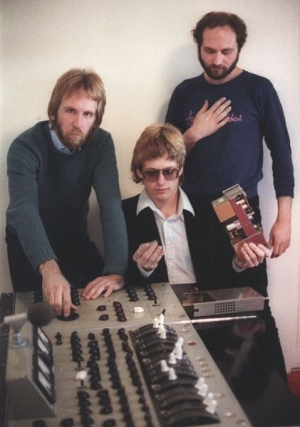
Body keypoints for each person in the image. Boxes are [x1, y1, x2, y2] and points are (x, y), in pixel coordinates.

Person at [165, 11, 294, 260]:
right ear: (199, 48)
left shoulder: (259, 89)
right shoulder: (184, 91)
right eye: (209, 51)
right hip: (191, 204)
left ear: (239, 48)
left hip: (237, 204)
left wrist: (284, 220)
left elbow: (281, 155)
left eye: (226, 52)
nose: (217, 60)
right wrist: (194, 134)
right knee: (195, 293)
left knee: (249, 291)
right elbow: (165, 160)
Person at [6, 68, 128, 317]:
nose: (78, 123)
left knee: (98, 306)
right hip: (28, 243)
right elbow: (24, 209)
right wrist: (49, 270)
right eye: (70, 111)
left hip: (74, 237)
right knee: (43, 319)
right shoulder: (24, 146)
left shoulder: (101, 143)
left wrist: (115, 271)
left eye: (87, 114)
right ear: (53, 112)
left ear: (96, 118)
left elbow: (110, 204)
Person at [122, 123, 270, 290]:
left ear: (181, 169)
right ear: (139, 172)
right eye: (152, 173)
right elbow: (121, 279)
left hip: (207, 309)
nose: (161, 182)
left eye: (169, 172)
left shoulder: (213, 207)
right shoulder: (123, 213)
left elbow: (222, 276)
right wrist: (143, 269)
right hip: (159, 313)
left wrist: (239, 262)